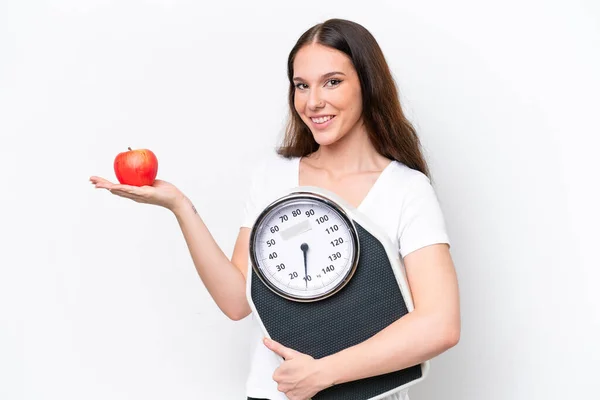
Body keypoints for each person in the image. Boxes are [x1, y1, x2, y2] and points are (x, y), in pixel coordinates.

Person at [90, 18, 460, 400]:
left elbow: (439, 324)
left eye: (332, 82)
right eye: (302, 85)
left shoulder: (405, 189)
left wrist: (324, 373)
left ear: (367, 84)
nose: (313, 101)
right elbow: (238, 302)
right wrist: (180, 207)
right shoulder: (272, 178)